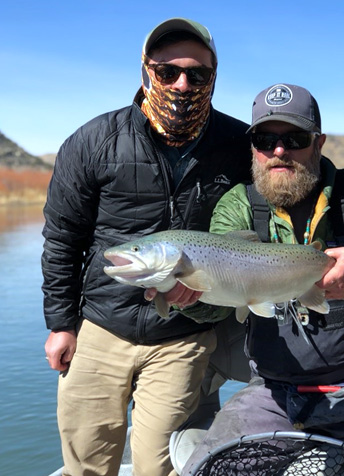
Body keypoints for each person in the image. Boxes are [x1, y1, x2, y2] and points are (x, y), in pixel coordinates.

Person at [181, 83, 344, 475]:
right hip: (271, 393)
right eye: (264, 139)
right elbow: (211, 308)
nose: (279, 151)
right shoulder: (237, 207)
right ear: (252, 146)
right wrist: (185, 294)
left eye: (295, 138)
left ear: (318, 142)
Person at [42, 18, 252, 476]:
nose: (182, 84)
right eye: (167, 72)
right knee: (87, 465)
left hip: (184, 336)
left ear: (213, 78)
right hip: (100, 328)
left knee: (162, 467)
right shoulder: (93, 141)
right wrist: (61, 324)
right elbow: (62, 239)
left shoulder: (239, 146)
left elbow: (285, 186)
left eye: (197, 74)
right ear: (145, 73)